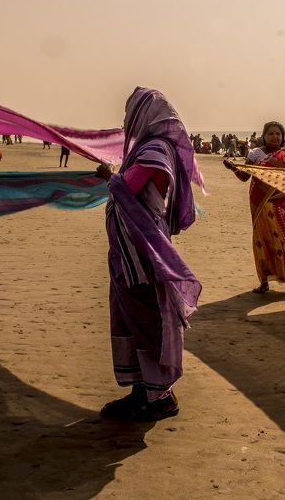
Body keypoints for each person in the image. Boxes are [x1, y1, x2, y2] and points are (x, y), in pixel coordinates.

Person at [97, 87, 202, 422]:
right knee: (135, 317)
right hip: (132, 251)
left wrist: (108, 178)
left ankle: (158, 396)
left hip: (143, 253)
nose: (127, 120)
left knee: (147, 317)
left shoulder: (155, 149)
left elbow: (129, 187)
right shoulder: (148, 148)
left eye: (131, 113)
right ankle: (143, 391)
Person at [225, 121, 285, 297]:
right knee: (262, 242)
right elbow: (244, 177)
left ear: (283, 137)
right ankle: (264, 282)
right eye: (271, 133)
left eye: (278, 133)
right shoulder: (255, 154)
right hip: (260, 205)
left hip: (284, 205)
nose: (275, 136)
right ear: (264, 136)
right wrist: (233, 168)